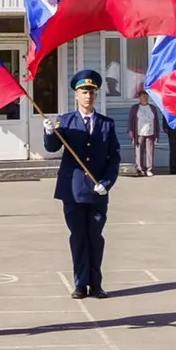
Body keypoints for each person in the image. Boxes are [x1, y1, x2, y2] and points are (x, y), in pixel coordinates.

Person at [46, 70, 120, 298]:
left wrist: (107, 183)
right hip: (73, 191)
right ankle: (80, 283)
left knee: (95, 238)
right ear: (76, 95)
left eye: (91, 92)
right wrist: (49, 132)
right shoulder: (65, 121)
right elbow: (51, 148)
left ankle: (96, 284)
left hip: (98, 191)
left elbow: (114, 157)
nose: (88, 96)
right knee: (78, 237)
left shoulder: (106, 124)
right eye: (83, 92)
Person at [127, 86, 159, 177]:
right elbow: (130, 120)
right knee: (139, 152)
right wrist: (130, 130)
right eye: (142, 96)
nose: (144, 97)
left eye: (146, 96)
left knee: (149, 152)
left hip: (150, 133)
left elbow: (156, 120)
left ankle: (149, 169)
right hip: (139, 133)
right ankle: (140, 169)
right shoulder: (135, 108)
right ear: (139, 98)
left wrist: (157, 132)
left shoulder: (152, 108)